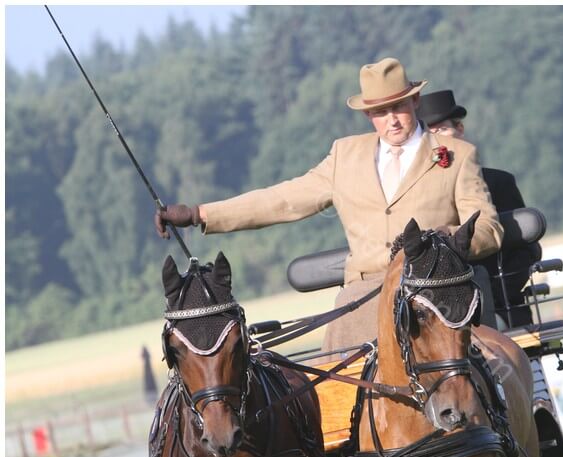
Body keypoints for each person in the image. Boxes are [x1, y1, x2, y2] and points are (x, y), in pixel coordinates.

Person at [155, 58, 503, 359]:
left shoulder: (457, 155)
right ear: (368, 114)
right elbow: (282, 200)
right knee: (331, 390)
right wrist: (199, 214)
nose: (392, 120)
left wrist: (446, 241)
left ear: (414, 101)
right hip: (362, 299)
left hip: (433, 292)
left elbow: (489, 227)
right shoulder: (344, 156)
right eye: (380, 112)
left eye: (398, 107)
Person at [417, 89, 536, 328]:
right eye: (430, 134)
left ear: (460, 129)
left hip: (497, 305)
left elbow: (527, 252)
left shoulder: (499, 182)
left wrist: (487, 296)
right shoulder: (417, 193)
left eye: (442, 130)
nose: (438, 140)